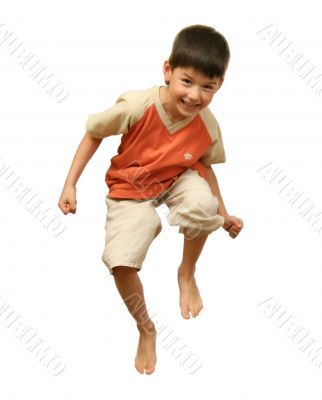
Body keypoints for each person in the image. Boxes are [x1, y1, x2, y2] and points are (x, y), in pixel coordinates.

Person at [58, 24, 243, 375]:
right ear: (168, 70)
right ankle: (146, 327)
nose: (195, 96)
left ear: (219, 85)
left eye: (208, 87)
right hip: (131, 186)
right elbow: (93, 132)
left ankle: (186, 273)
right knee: (120, 261)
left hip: (176, 178)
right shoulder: (138, 104)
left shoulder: (207, 124)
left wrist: (224, 212)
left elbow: (205, 168)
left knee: (205, 210)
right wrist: (70, 184)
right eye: (187, 81)